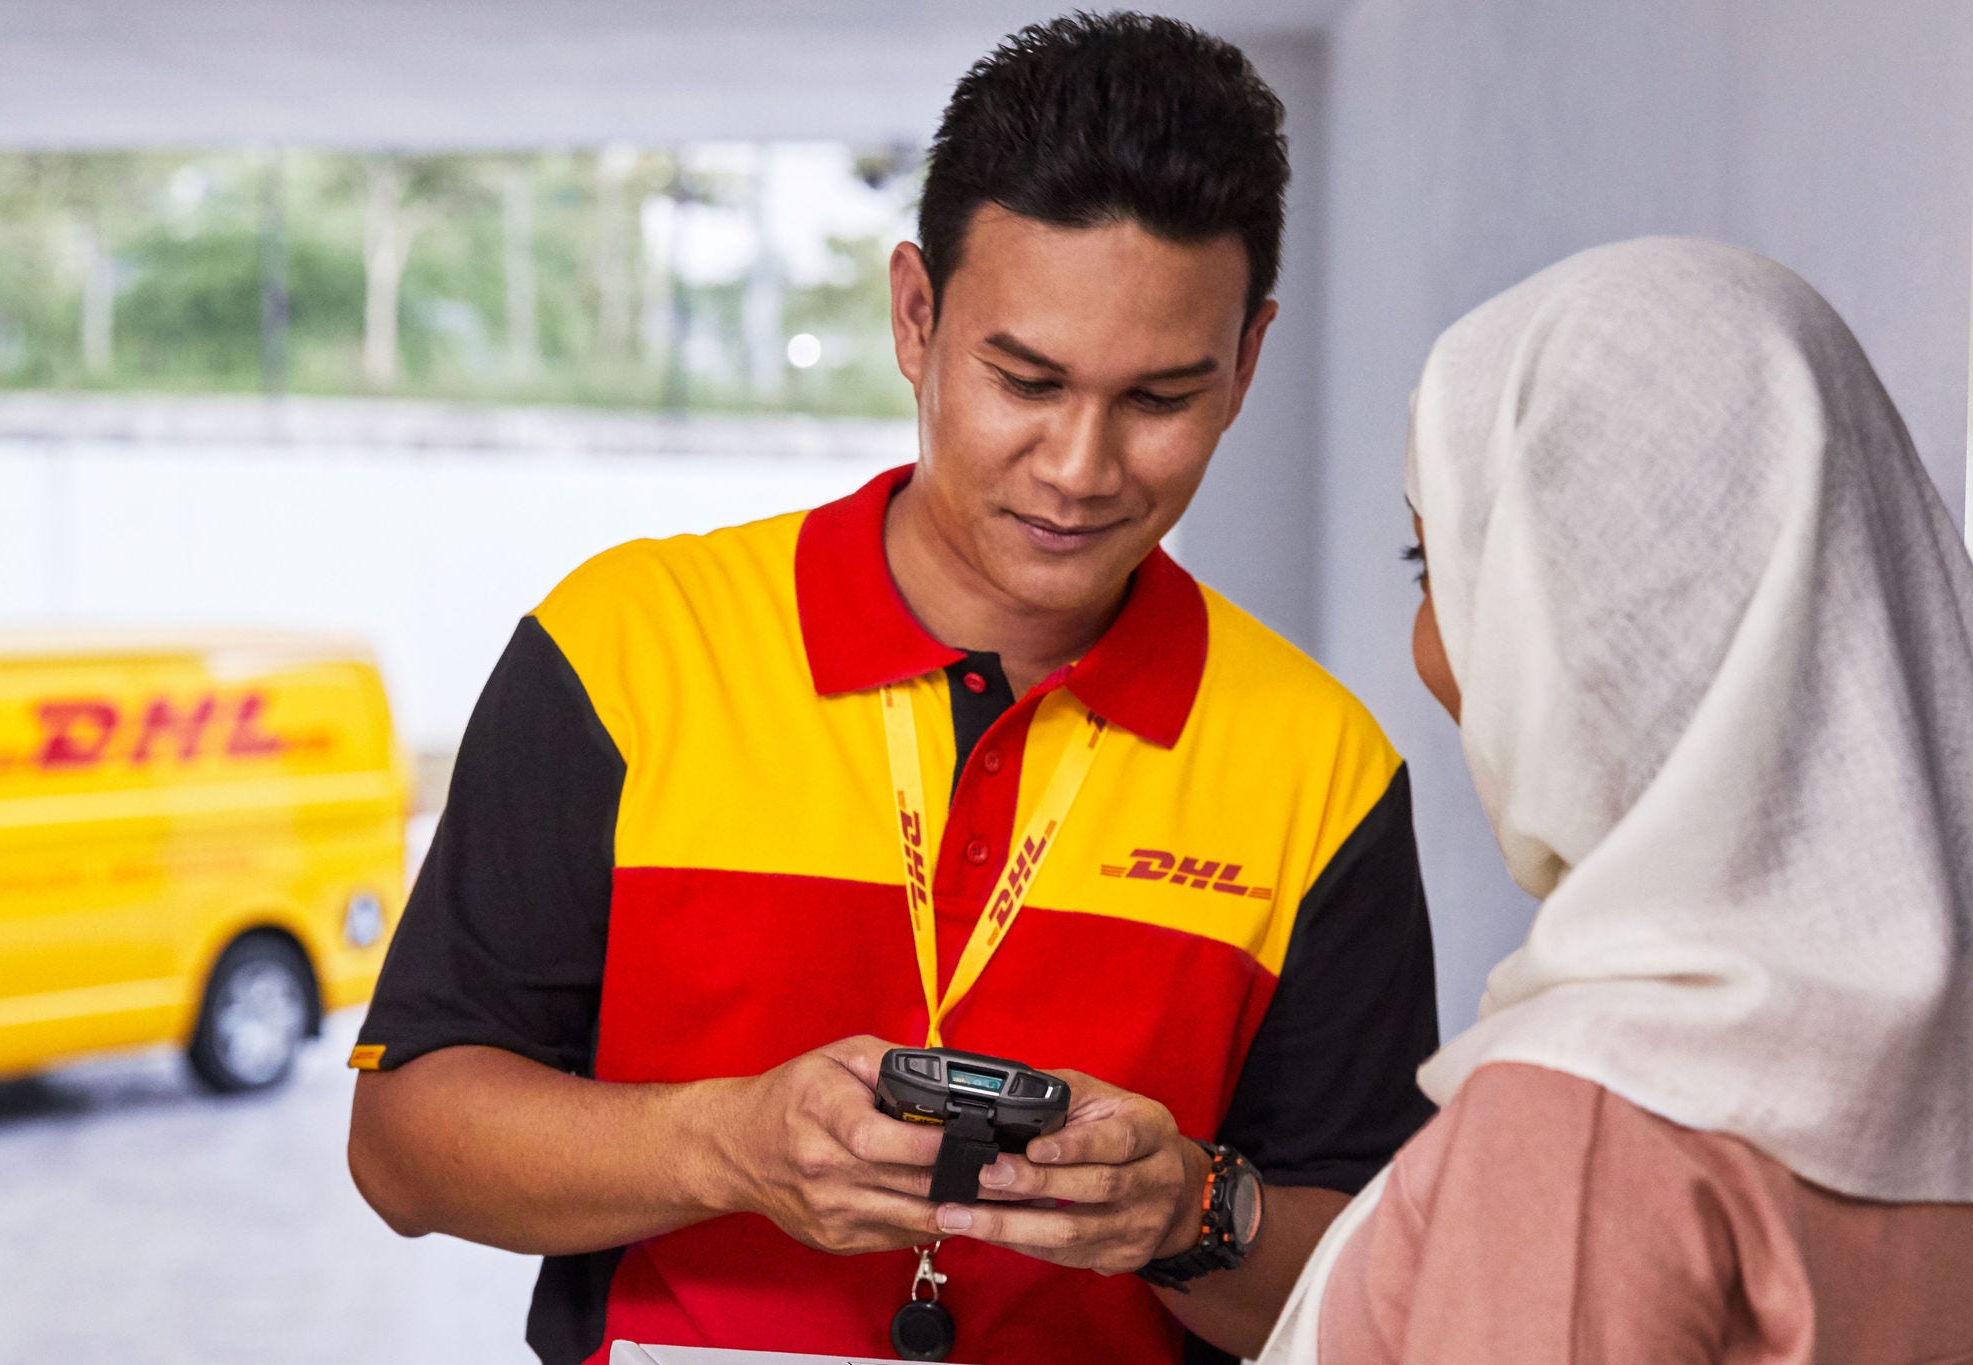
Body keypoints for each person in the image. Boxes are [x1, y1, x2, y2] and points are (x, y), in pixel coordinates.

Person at [345, 13, 1440, 1364]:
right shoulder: (626, 648)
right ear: (915, 318)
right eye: (1024, 379)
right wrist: (724, 1143)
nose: (1081, 467)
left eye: (1160, 397)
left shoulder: (1319, 765)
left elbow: (1394, 1295)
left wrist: (1190, 1213)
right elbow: (403, 1148)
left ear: (1247, 364)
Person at [1261, 237, 1973, 1364]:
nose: (1430, 644)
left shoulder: (1590, 1122)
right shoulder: (1930, 1057)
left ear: (1588, 611)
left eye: (1435, 567)